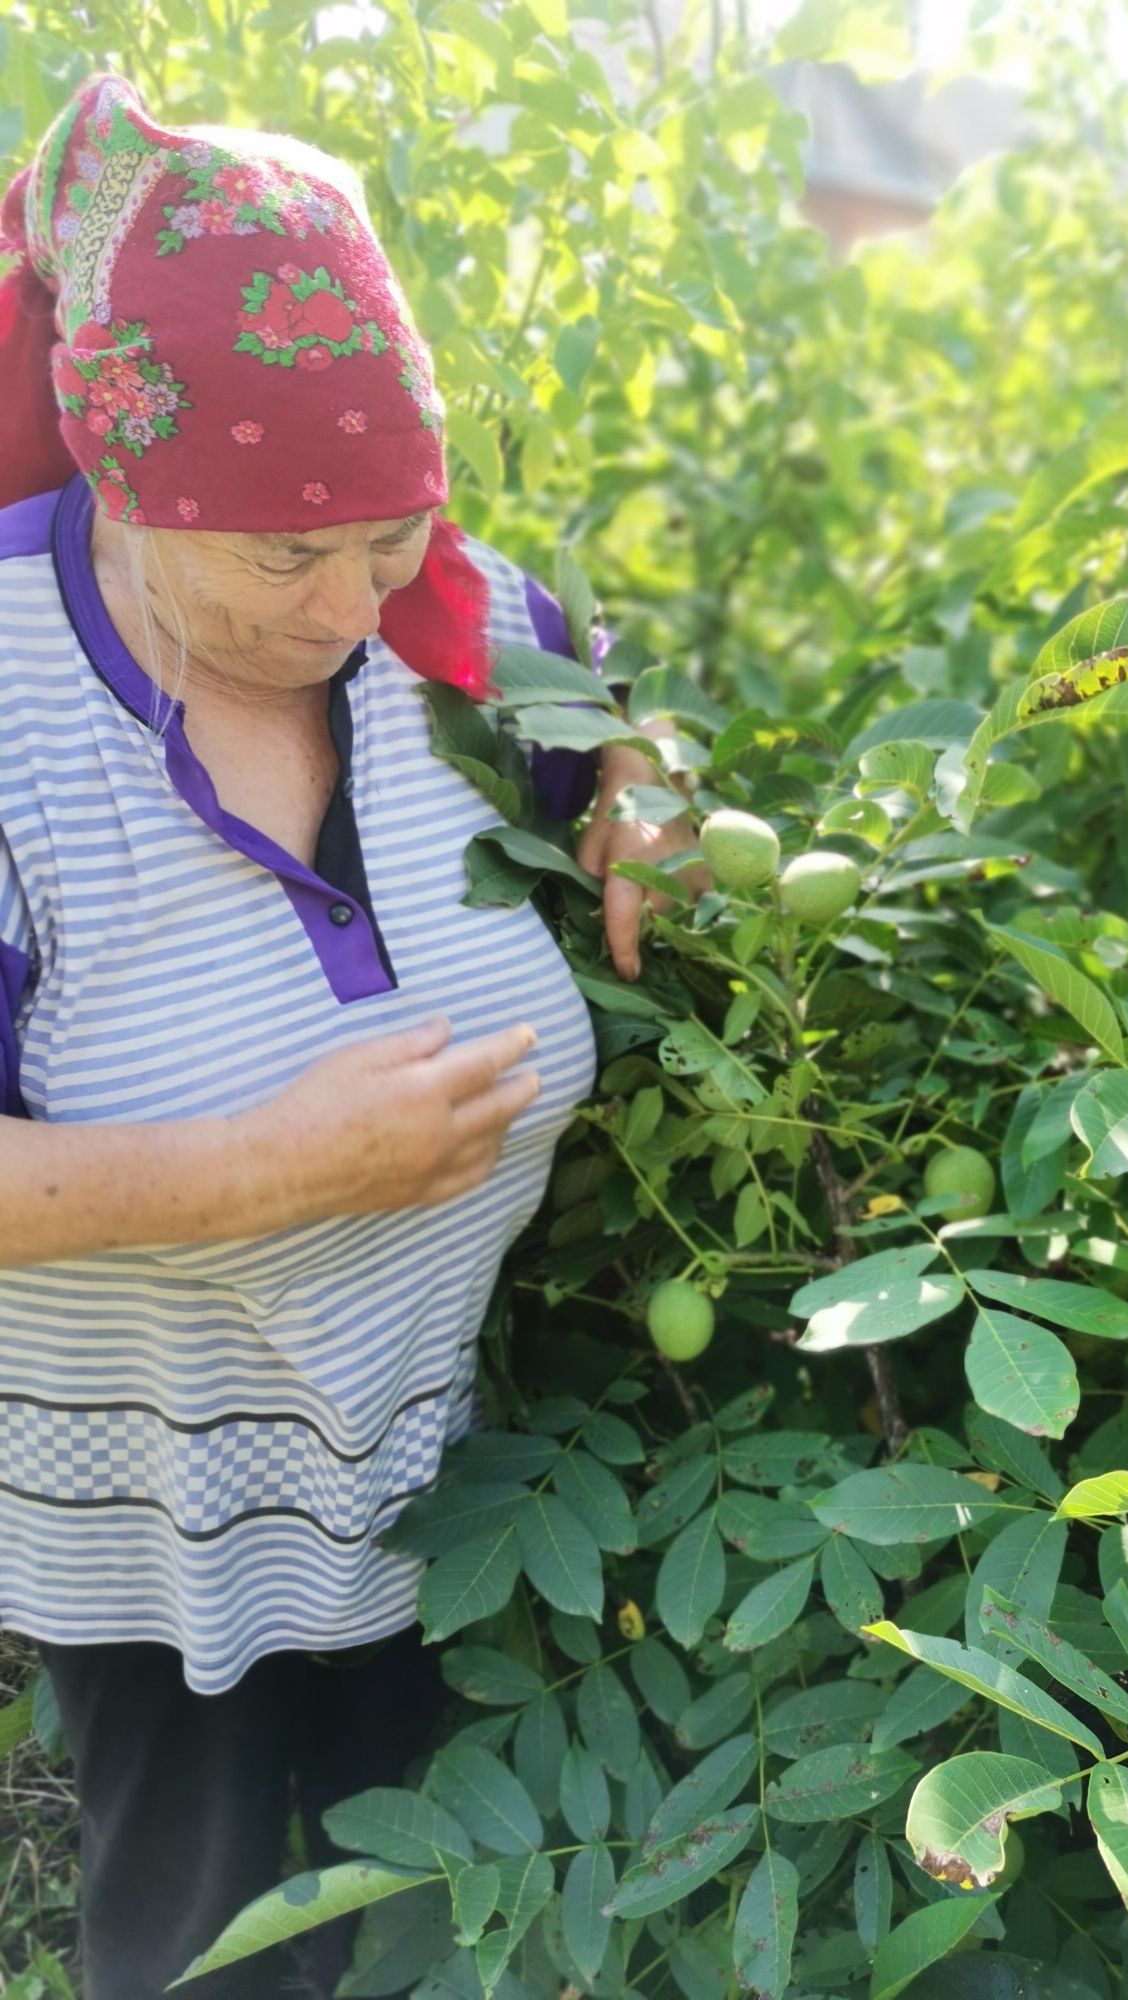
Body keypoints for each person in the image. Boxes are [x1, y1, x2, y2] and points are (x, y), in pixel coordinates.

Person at [0, 72, 696, 1998]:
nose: (347, 606)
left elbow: (588, 689)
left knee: (436, 1919)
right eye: (285, 561)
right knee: (204, 1938)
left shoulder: (429, 613)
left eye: (388, 540)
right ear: (125, 487)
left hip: (440, 1485)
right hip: (154, 1537)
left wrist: (640, 772)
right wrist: (270, 1170)